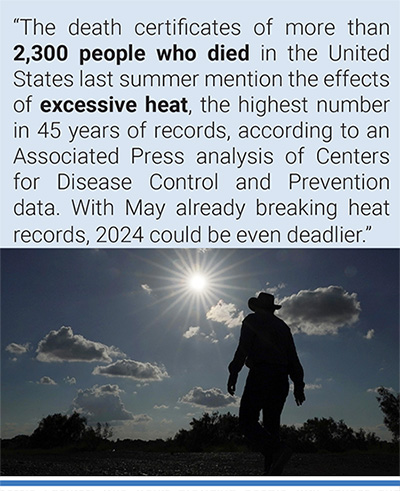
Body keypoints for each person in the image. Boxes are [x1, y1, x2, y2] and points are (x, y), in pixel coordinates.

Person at [227, 292, 305, 475]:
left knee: (247, 421)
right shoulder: (283, 327)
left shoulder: (252, 320)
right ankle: (272, 476)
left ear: (257, 307)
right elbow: (293, 358)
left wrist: (233, 373)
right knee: (271, 427)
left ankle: (278, 451)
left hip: (261, 374)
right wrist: (298, 385)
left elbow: (243, 348)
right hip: (281, 379)